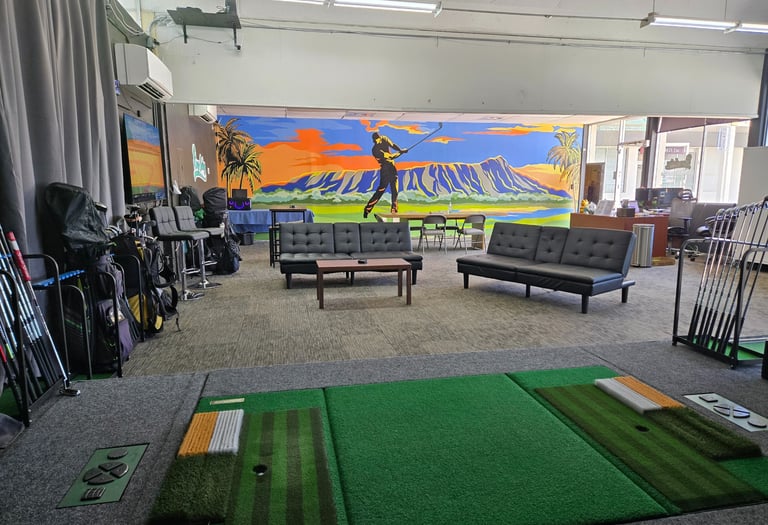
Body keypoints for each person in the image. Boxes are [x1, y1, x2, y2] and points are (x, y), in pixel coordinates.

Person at [363, 132, 407, 218]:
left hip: (392, 168)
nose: (377, 142)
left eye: (378, 140)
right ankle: (367, 209)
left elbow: (392, 145)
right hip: (385, 170)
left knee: (395, 190)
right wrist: (401, 152)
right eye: (375, 140)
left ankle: (394, 211)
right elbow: (390, 157)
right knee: (381, 190)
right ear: (373, 141)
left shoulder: (384, 139)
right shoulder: (375, 150)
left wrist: (400, 149)